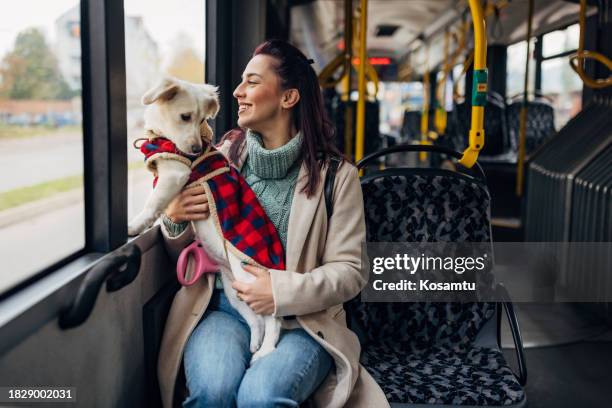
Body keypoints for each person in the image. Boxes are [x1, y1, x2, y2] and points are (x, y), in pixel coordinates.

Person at [156, 39, 389, 408]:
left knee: (260, 397)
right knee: (213, 392)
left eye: (252, 81)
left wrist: (278, 291)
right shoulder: (221, 157)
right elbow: (193, 251)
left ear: (288, 97)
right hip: (222, 308)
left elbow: (351, 273)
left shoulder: (337, 177)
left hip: (304, 319)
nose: (237, 91)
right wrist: (173, 219)